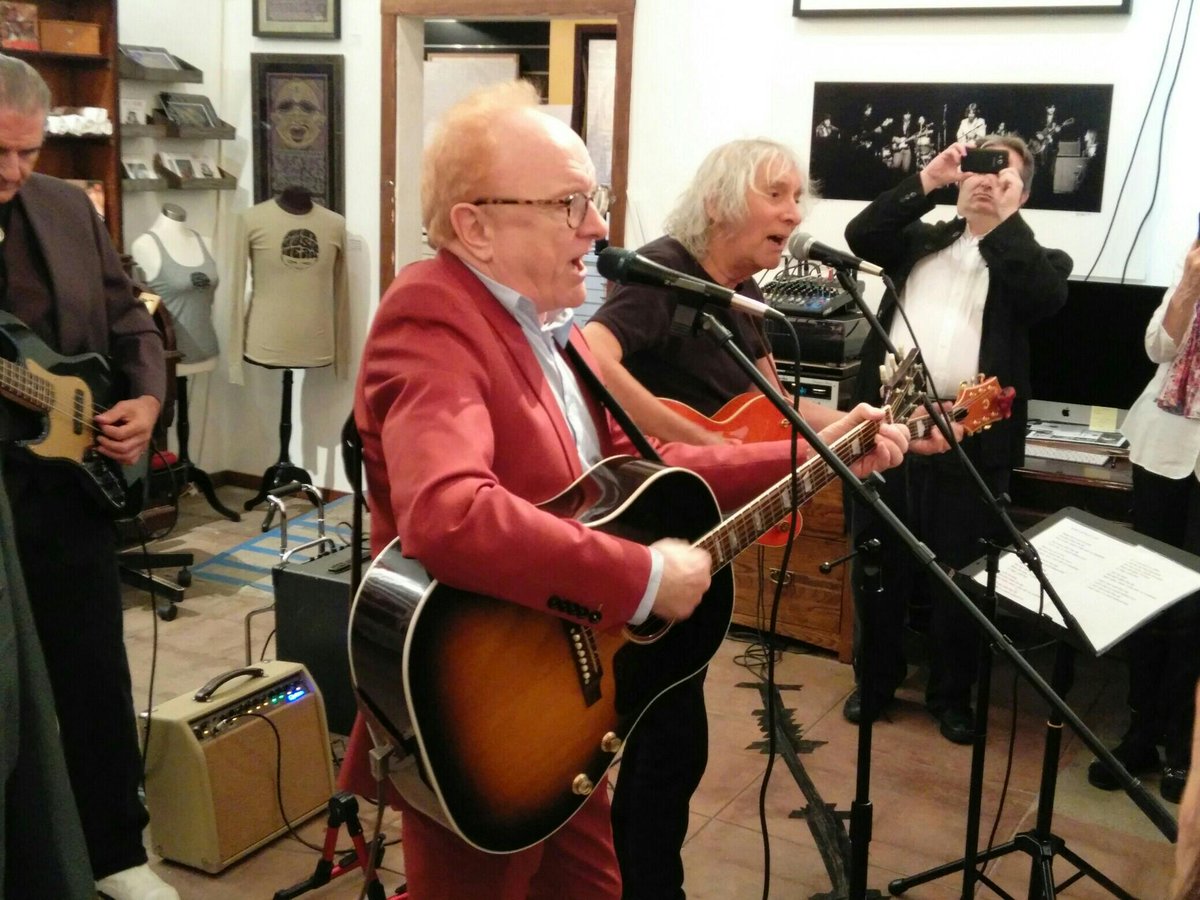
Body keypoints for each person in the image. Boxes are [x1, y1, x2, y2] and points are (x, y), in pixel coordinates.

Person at [338, 80, 912, 899]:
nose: (600, 227)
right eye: (571, 203)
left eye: (595, 200)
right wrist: (641, 580)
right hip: (483, 714)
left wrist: (824, 450)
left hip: (562, 699)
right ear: (476, 226)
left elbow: (650, 464)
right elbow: (450, 513)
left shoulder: (540, 326)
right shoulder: (433, 315)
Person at [0, 57, 175, 899]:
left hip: (69, 491)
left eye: (26, 153)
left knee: (93, 674)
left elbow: (130, 318)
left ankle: (116, 853)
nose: (11, 172)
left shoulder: (68, 206)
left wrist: (145, 401)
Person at [842, 134, 1072, 744]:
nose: (987, 181)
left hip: (972, 438)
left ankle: (951, 694)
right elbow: (861, 237)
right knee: (878, 561)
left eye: (1005, 175)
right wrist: (928, 181)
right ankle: (876, 681)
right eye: (980, 168)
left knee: (962, 576)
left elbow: (1043, 302)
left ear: (1023, 193)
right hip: (886, 426)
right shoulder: (919, 239)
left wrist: (998, 225)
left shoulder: (1040, 260)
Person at [1089, 239, 1200, 803]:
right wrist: (1187, 284)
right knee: (1151, 598)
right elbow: (1158, 346)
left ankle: (1184, 747)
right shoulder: (1188, 276)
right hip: (1162, 451)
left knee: (1195, 618)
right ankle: (1140, 733)